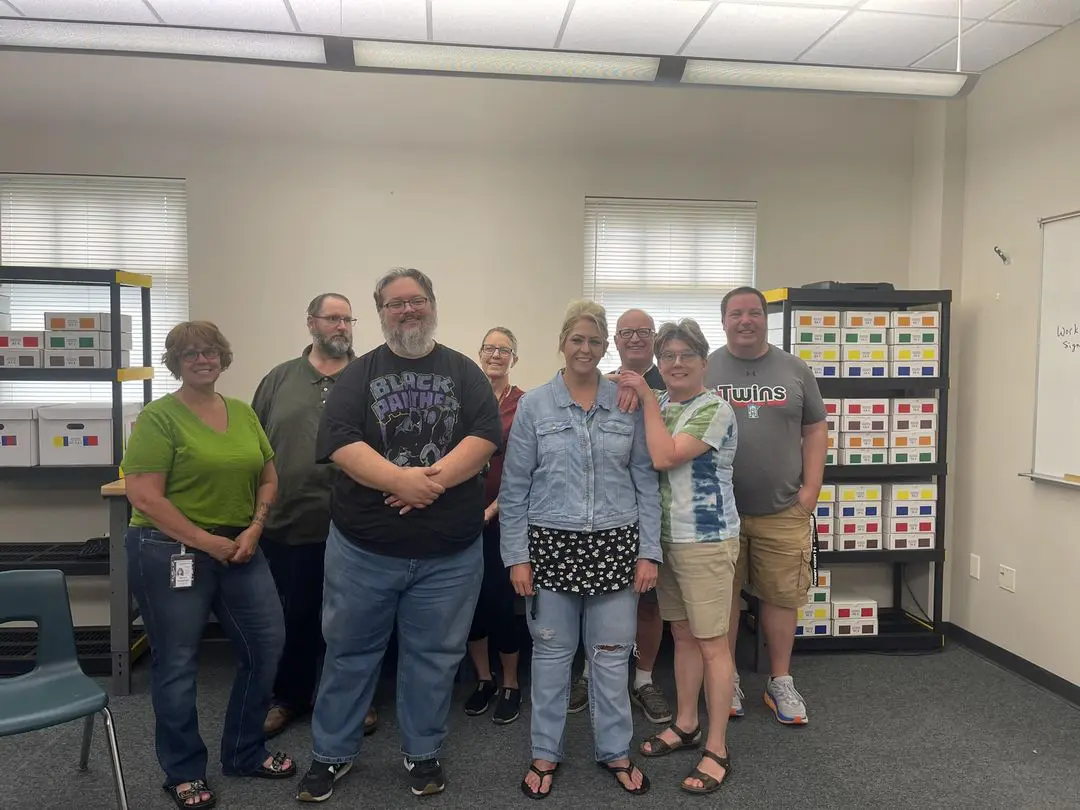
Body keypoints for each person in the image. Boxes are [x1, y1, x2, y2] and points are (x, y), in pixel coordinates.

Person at [296, 268, 501, 803]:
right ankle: (331, 755)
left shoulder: (465, 372)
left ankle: (422, 750)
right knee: (348, 653)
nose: (407, 310)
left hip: (449, 555)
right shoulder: (358, 375)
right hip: (363, 551)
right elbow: (340, 443)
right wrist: (397, 481)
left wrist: (425, 485)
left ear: (432, 304)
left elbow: (484, 436)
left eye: (417, 300)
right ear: (382, 312)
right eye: (395, 304)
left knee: (434, 657)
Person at [122, 321, 294, 810]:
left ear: (223, 357)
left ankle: (244, 750)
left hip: (242, 544)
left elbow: (267, 476)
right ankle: (182, 772)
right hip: (168, 550)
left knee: (266, 645)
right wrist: (206, 542)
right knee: (176, 664)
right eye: (192, 353)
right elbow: (143, 495)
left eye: (212, 351)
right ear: (176, 361)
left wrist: (256, 527)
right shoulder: (158, 418)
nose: (204, 359)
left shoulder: (241, 413)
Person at [500, 299, 662, 800]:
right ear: (562, 344)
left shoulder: (625, 402)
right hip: (551, 546)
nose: (585, 349)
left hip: (616, 544)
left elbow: (645, 480)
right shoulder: (535, 406)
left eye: (594, 340)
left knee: (611, 656)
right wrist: (517, 556)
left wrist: (648, 552)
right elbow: (514, 488)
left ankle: (614, 748)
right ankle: (545, 751)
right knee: (551, 656)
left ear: (605, 345)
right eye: (577, 340)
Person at [619, 318, 739, 795]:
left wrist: (645, 397)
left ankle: (717, 747)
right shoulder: (665, 403)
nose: (675, 363)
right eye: (667, 356)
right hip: (668, 539)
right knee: (683, 636)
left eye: (685, 355)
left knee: (714, 644)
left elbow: (665, 456)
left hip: (706, 540)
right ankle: (686, 724)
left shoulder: (715, 409)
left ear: (703, 362)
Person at [252, 293, 377, 740]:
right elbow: (256, 447)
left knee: (353, 620)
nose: (342, 326)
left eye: (348, 319)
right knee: (294, 616)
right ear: (311, 323)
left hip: (355, 525)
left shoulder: (369, 377)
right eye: (333, 318)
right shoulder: (279, 379)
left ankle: (350, 700)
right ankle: (288, 697)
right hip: (289, 524)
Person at [705, 286, 827, 725]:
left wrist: (811, 489)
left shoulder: (795, 369)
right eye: (736, 313)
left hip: (783, 511)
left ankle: (780, 681)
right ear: (723, 320)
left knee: (781, 597)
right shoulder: (706, 367)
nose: (745, 320)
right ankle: (729, 678)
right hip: (719, 515)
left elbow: (815, 428)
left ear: (765, 318)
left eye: (753, 312)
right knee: (725, 600)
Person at [570, 308, 671, 725]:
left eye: (642, 332)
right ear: (615, 339)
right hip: (608, 517)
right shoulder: (602, 385)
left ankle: (643, 680)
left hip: (661, 510)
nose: (634, 339)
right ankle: (591, 673)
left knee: (648, 602)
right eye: (626, 332)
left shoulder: (675, 382)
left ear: (654, 338)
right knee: (595, 599)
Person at [464, 326, 526, 724]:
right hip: (462, 521)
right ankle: (483, 679)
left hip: (506, 521)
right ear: (480, 353)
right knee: (471, 605)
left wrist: (491, 511)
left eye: (504, 350)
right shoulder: (464, 399)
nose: (496, 355)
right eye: (489, 348)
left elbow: (523, 469)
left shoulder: (524, 404)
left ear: (514, 359)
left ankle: (510, 682)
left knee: (503, 605)